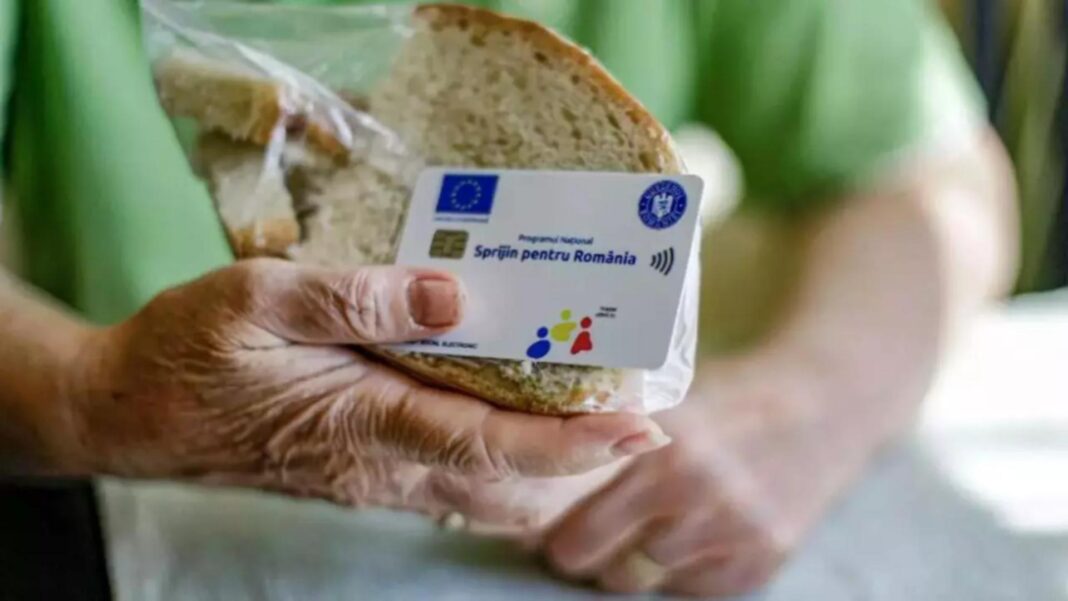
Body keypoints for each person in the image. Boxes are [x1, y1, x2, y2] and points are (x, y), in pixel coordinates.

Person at [0, 0, 1017, 599]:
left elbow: (931, 180)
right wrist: (90, 393)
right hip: (130, 534)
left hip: (573, 544)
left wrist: (805, 407)